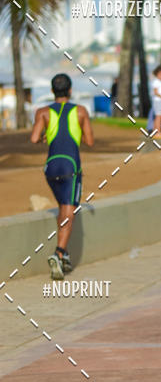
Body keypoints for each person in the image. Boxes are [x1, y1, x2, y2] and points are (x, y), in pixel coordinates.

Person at [30, 73, 94, 280]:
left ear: (51, 91)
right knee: (69, 209)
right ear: (70, 90)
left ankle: (64, 254)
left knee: (63, 208)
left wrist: (45, 136)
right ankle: (58, 253)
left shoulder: (42, 112)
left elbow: (33, 138)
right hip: (70, 165)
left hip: (51, 167)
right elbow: (90, 141)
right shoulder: (81, 111)